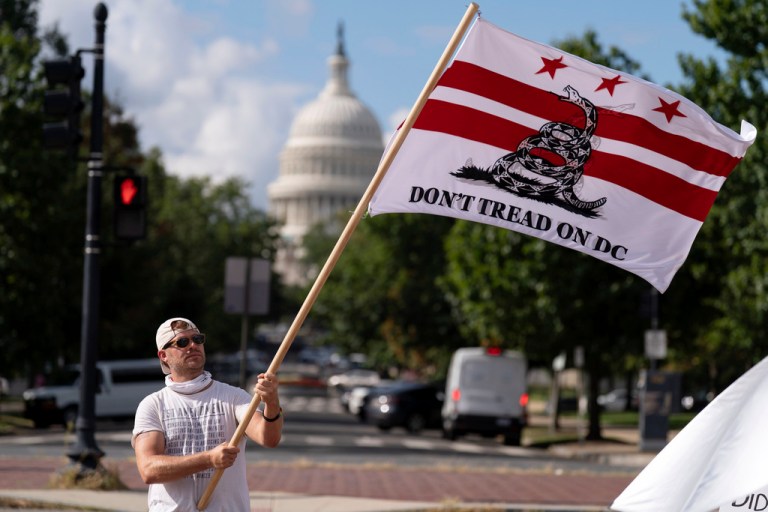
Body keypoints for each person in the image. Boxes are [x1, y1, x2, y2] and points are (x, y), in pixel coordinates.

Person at [132, 317, 283, 511]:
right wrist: (208, 460)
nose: (193, 345)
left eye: (198, 339)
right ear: (163, 355)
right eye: (182, 342)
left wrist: (272, 402)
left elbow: (268, 438)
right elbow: (149, 469)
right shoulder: (153, 405)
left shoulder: (233, 397)